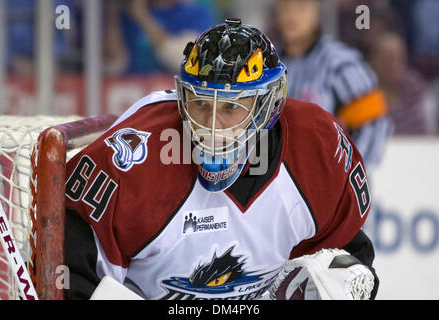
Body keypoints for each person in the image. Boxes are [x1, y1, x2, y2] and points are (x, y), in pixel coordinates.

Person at [64, 19, 378, 300]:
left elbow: (349, 264)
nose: (212, 125)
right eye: (200, 102)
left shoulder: (314, 147)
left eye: (230, 107)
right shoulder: (134, 157)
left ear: (268, 105)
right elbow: (74, 276)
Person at [273, 0, 392, 174]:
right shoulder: (264, 65)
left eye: (301, 7)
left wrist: (343, 176)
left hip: (328, 188)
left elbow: (373, 125)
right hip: (278, 188)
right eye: (285, 7)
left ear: (319, 11)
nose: (292, 15)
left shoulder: (342, 64)